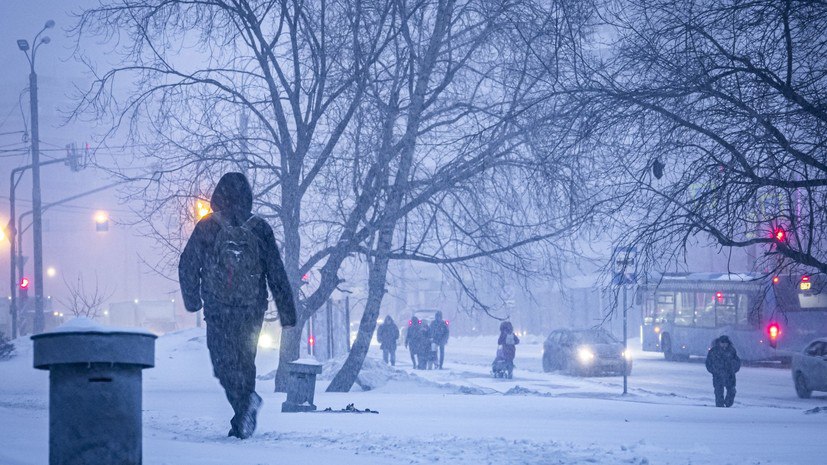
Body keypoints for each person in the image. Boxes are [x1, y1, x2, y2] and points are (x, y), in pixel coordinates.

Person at [179, 172, 297, 439]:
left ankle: (244, 408)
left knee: (223, 365)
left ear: (217, 195)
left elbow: (187, 264)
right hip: (251, 310)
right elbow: (276, 272)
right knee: (245, 363)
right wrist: (287, 312)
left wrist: (193, 299)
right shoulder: (260, 228)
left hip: (218, 310)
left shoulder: (207, 226)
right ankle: (244, 413)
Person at [705, 335, 741, 407]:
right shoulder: (714, 351)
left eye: (726, 343)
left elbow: (737, 361)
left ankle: (728, 404)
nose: (724, 344)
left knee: (731, 391)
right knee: (719, 392)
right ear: (719, 343)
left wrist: (733, 369)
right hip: (718, 375)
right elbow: (708, 363)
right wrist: (714, 370)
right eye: (722, 343)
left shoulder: (732, 350)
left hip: (730, 375)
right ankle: (719, 406)